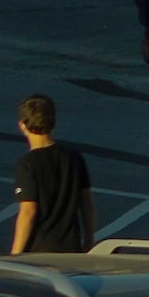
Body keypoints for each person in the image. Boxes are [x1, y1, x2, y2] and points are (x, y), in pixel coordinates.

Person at [10, 95, 92, 257]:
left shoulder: (28, 164)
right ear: (53, 123)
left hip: (40, 250)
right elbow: (87, 205)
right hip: (71, 247)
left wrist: (15, 254)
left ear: (22, 125)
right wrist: (89, 242)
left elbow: (28, 212)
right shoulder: (73, 157)